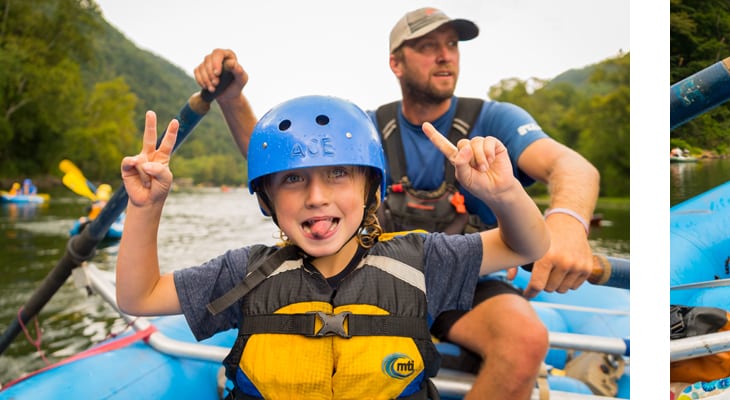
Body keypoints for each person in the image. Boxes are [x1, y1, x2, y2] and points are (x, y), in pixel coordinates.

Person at [193, 7, 600, 399]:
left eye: (452, 44)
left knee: (526, 339)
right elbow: (280, 165)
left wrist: (565, 224)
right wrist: (232, 100)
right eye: (427, 46)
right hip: (375, 280)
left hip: (468, 281)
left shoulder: (496, 120)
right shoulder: (364, 129)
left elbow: (571, 165)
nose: (444, 56)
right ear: (396, 63)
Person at [115, 95, 548, 399]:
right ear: (267, 198)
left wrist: (505, 194)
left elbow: (525, 244)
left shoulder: (423, 259)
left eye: (338, 173)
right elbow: (140, 296)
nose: (316, 196)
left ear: (369, 189)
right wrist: (147, 207)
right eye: (293, 178)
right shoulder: (242, 273)